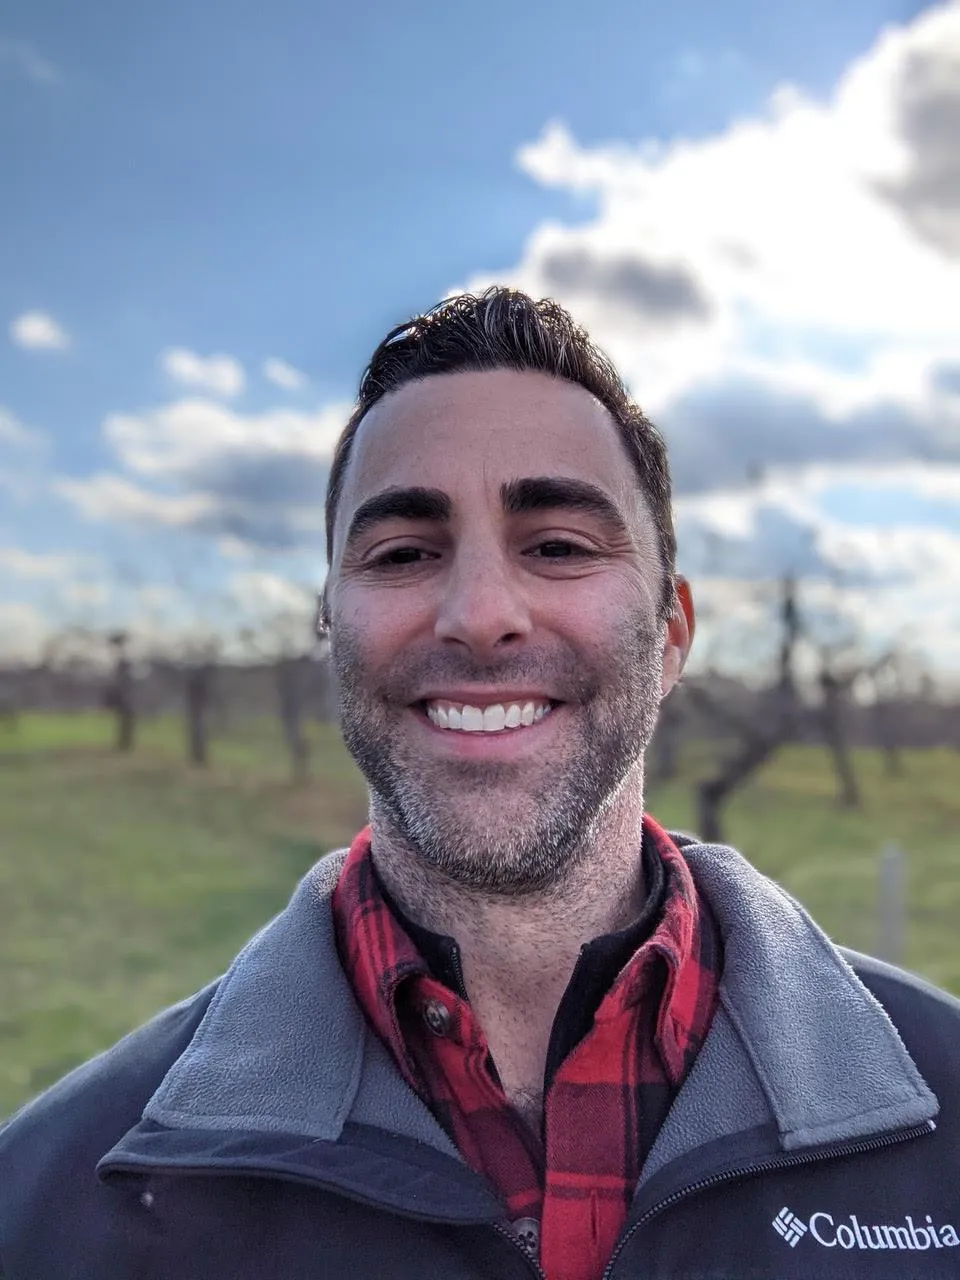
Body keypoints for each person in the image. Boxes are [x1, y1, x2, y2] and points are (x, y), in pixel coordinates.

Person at [1, 288, 958, 1280]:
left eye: (558, 546)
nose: (480, 613)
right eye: (405, 553)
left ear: (671, 634)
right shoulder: (49, 1206)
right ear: (330, 629)